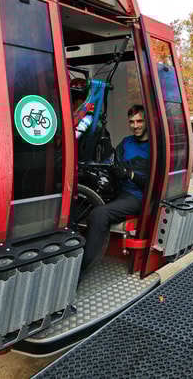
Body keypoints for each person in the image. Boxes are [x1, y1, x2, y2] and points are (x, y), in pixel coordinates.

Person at [80, 104, 149, 275]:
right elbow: (112, 164)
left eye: (139, 121)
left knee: (99, 214)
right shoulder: (126, 143)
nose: (135, 125)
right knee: (78, 207)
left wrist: (130, 175)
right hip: (120, 190)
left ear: (147, 121)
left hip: (139, 196)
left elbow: (156, 181)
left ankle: (79, 272)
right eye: (132, 122)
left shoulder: (156, 146)